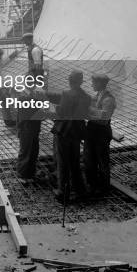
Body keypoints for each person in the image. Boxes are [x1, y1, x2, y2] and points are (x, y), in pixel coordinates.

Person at [52, 70, 90, 203]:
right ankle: (81, 190)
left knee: (62, 162)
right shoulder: (86, 96)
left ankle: (63, 192)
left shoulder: (66, 94)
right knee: (75, 162)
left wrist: (55, 108)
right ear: (80, 82)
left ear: (70, 81)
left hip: (64, 131)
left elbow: (62, 112)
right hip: (77, 132)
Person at [16, 33, 45, 184]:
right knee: (27, 149)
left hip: (30, 126)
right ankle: (23, 175)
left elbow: (38, 67)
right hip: (28, 126)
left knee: (32, 148)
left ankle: (29, 172)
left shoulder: (35, 50)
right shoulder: (26, 97)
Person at [84, 73, 116, 194]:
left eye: (93, 82)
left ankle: (104, 187)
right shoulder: (96, 96)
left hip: (101, 134)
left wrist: (87, 114)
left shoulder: (109, 99)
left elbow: (104, 120)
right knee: (89, 159)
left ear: (100, 83)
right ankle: (92, 184)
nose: (91, 84)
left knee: (102, 161)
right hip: (91, 132)